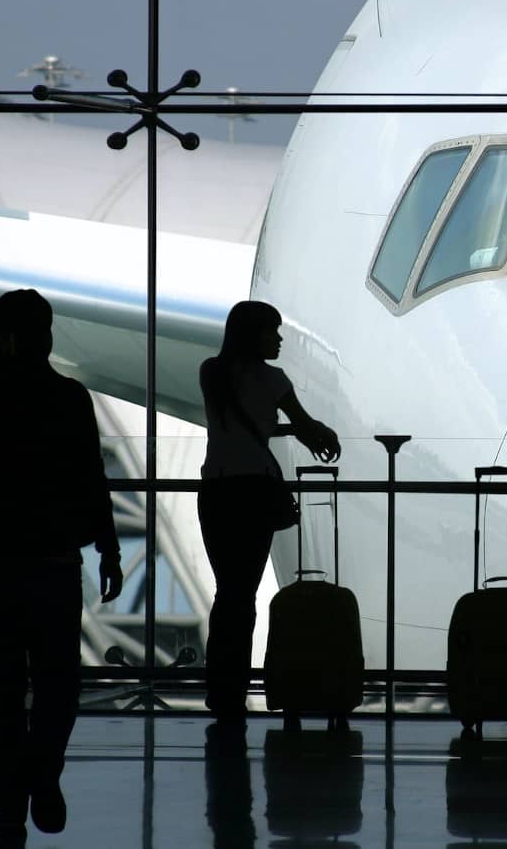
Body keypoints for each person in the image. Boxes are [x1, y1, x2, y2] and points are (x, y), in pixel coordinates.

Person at [0, 289, 123, 843]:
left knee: (2, 688)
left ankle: (9, 797)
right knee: (60, 682)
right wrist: (108, 548)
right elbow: (93, 477)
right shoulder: (69, 399)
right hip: (53, 561)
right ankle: (44, 770)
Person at [197, 300, 340, 722]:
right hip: (255, 492)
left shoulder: (211, 372)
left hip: (216, 489)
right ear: (253, 333)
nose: (278, 339)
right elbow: (305, 425)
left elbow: (232, 418)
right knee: (244, 593)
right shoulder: (275, 381)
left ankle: (220, 688)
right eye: (271, 331)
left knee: (227, 592)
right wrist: (319, 433)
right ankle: (234, 686)